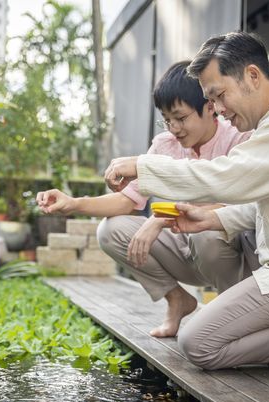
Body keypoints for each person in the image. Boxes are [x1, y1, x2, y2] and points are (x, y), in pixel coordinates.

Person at [103, 32, 269, 372]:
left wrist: (143, 167)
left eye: (219, 96)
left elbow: (229, 175)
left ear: (251, 75)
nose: (217, 110)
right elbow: (266, 199)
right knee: (201, 333)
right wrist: (212, 220)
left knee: (197, 344)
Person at [36, 60, 256, 338]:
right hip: (185, 250)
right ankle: (177, 299)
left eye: (181, 117)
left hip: (227, 256)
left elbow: (245, 204)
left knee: (206, 234)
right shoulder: (164, 145)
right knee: (111, 230)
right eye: (166, 119)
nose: (173, 127)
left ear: (209, 107)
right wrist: (73, 203)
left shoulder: (238, 137)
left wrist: (159, 220)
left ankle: (234, 312)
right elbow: (126, 201)